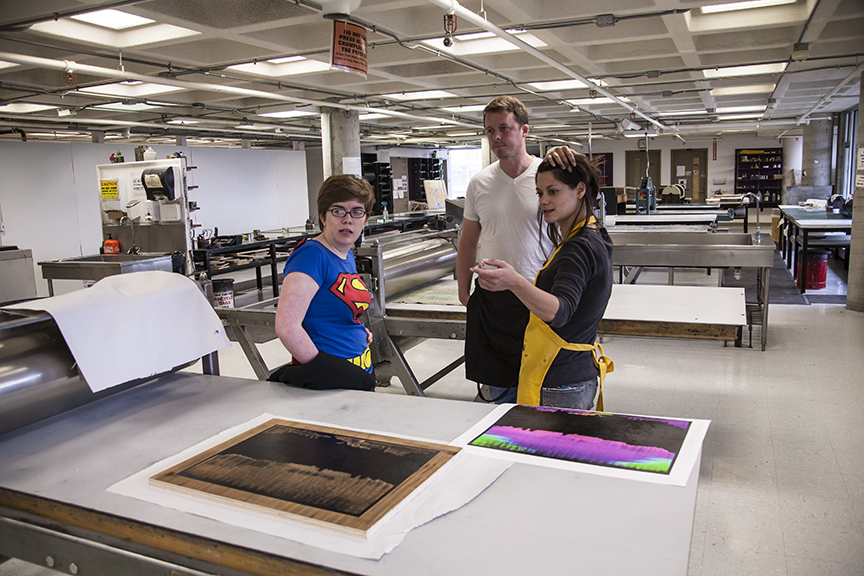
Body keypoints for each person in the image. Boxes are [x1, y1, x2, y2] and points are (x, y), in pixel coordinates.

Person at [470, 156, 614, 410]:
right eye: (539, 193)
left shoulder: (578, 247)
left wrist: (514, 282)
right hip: (573, 373)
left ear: (580, 190)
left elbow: (558, 311)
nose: (544, 200)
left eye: (553, 191)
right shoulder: (593, 233)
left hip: (560, 380)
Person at [456, 94, 573, 403]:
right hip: (494, 300)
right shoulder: (479, 183)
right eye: (490, 130)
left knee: (541, 389)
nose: (496, 137)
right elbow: (468, 240)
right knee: (498, 391)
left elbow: (571, 229)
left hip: (538, 296)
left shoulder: (547, 178)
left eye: (504, 128)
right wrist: (463, 289)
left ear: (524, 130)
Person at [269, 174, 376, 391]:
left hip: (357, 370)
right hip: (332, 381)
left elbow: (334, 304)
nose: (348, 219)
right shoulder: (312, 255)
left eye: (357, 212)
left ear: (365, 220)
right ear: (323, 217)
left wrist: (356, 327)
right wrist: (327, 369)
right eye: (338, 211)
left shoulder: (346, 255)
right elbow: (287, 327)